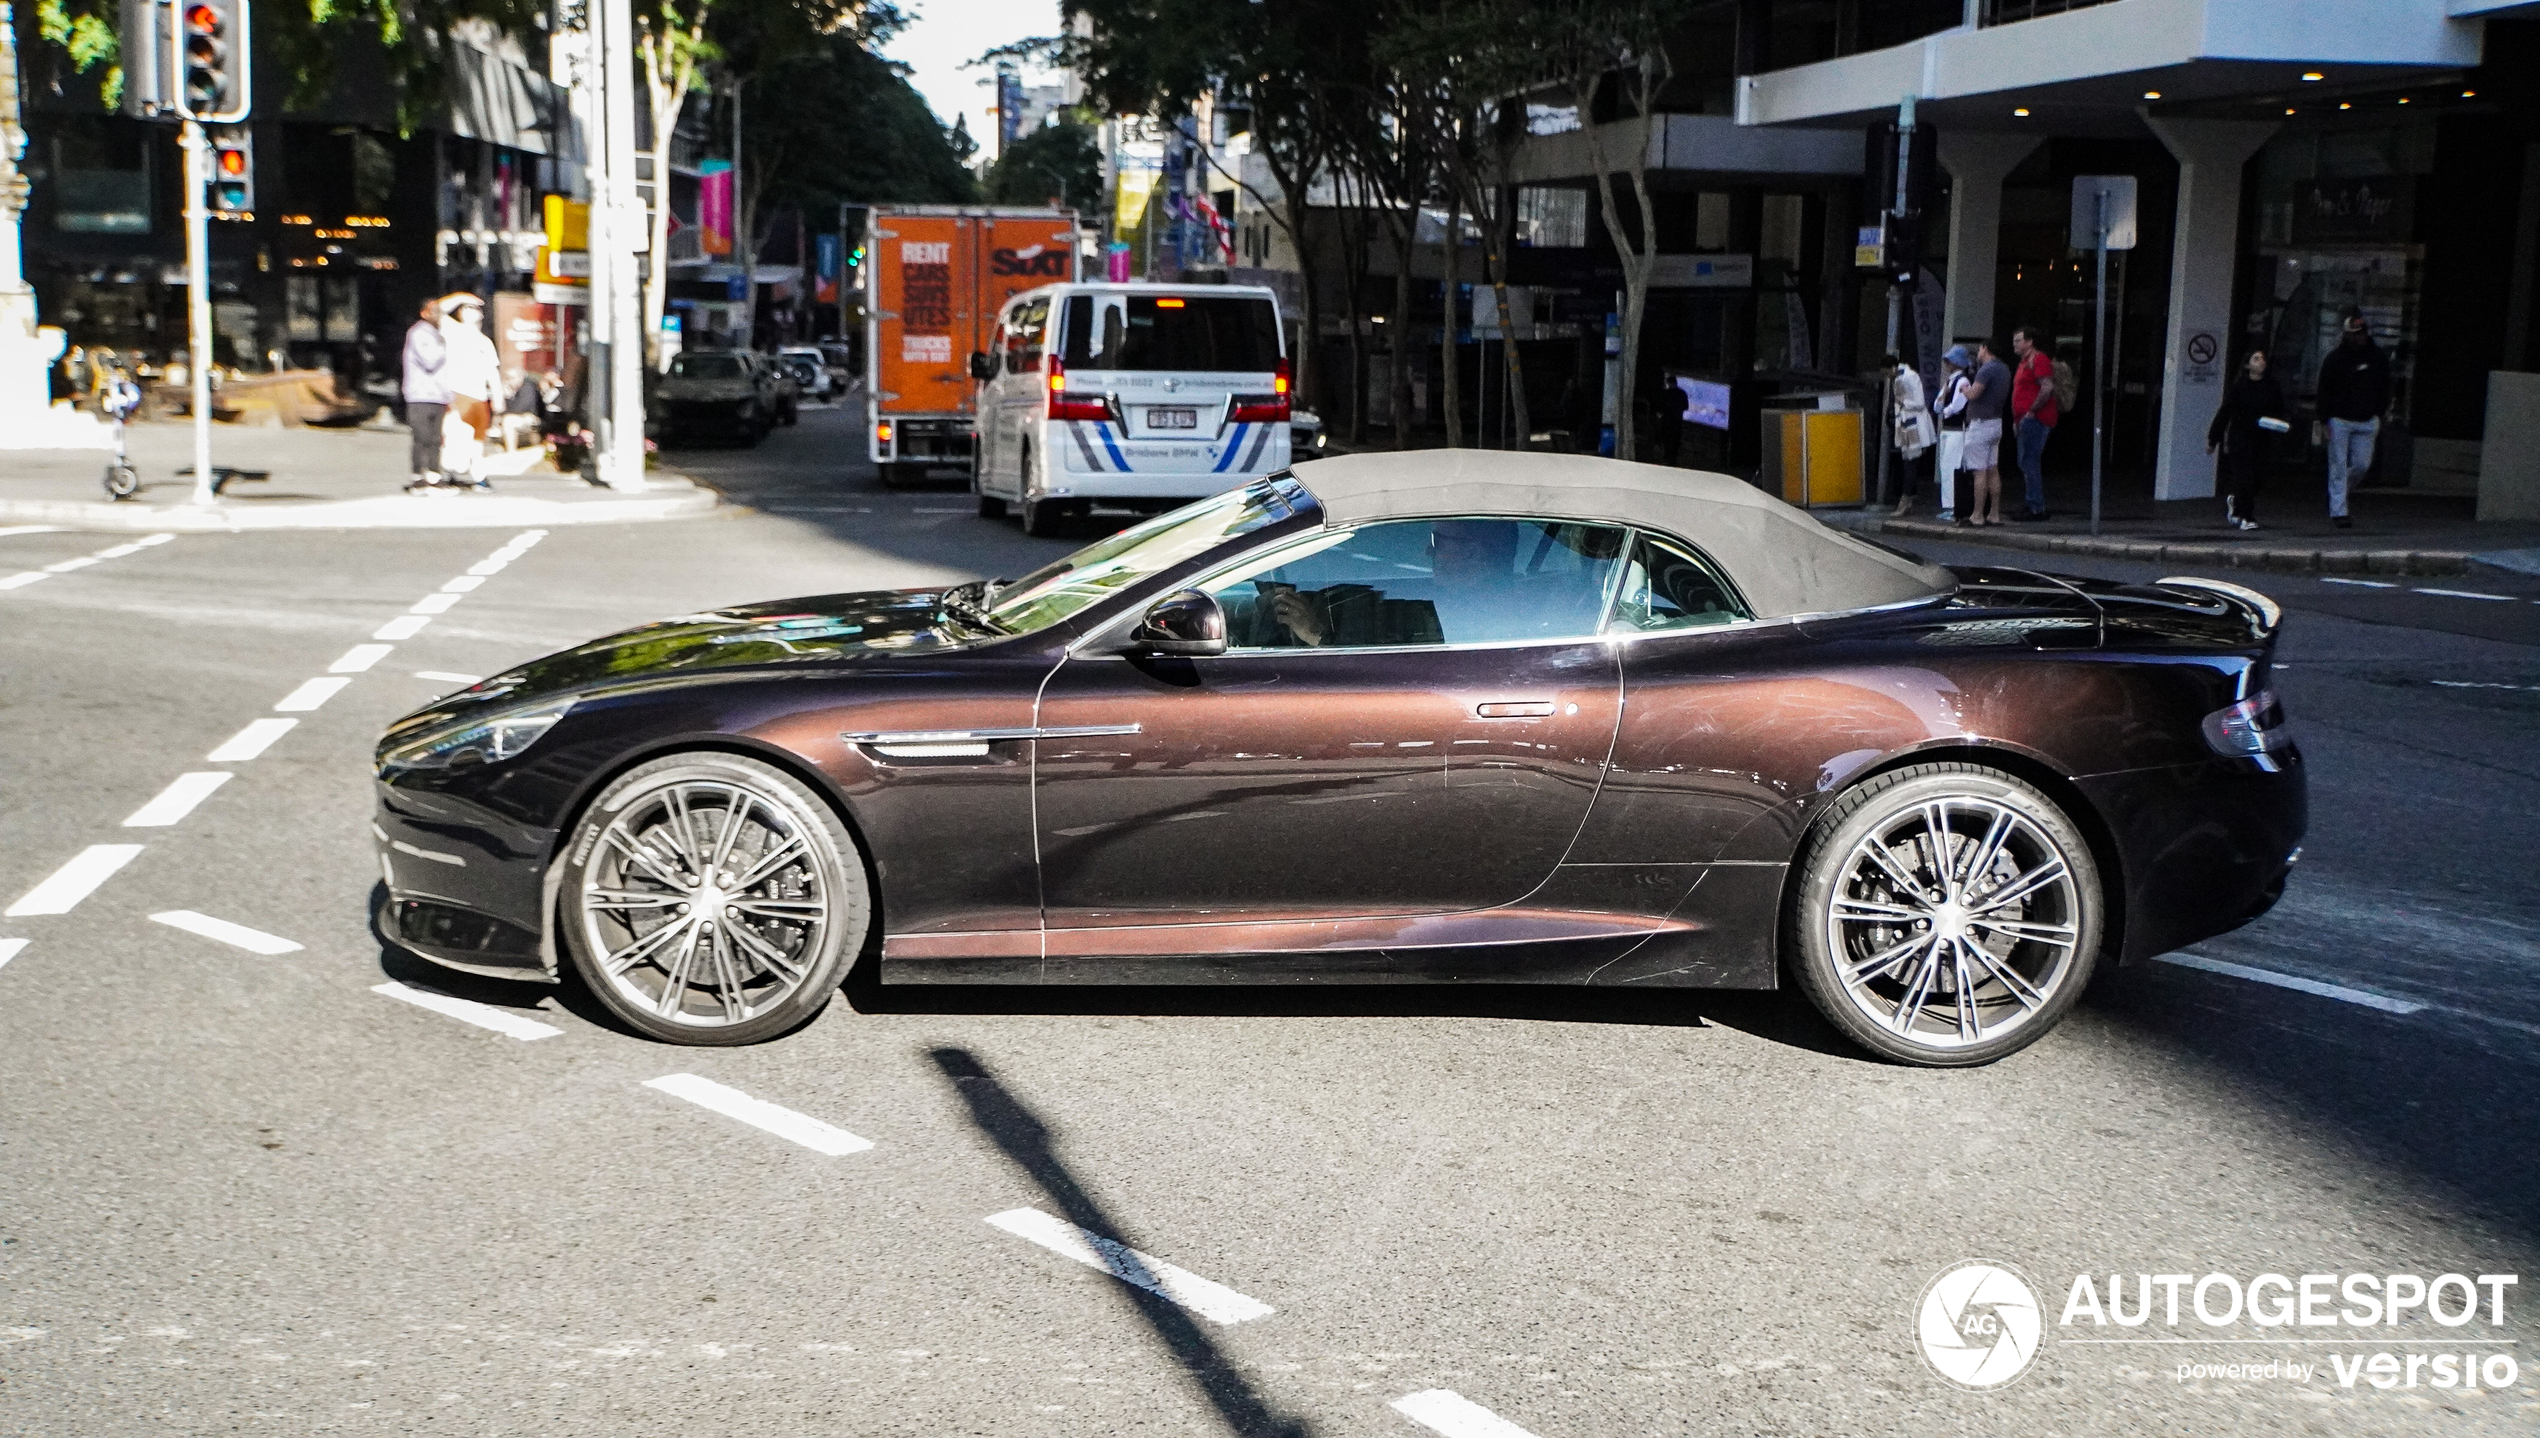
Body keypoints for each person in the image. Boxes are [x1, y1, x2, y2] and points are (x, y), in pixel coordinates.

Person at [2315, 307, 2389, 530]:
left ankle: (2337, 494)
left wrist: (2379, 411)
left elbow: (2385, 386)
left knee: (2361, 465)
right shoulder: (2335, 359)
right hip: (2340, 419)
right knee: (2337, 465)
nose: (2361, 336)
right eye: (2356, 333)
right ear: (2347, 334)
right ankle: (2339, 510)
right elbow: (2324, 390)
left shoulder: (2377, 358)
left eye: (2363, 332)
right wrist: (2324, 419)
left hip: (2367, 419)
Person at [2206, 349, 2289, 531]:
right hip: (2240, 438)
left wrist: (2281, 432)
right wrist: (2214, 439)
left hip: (2262, 438)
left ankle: (2236, 501)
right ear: (2247, 364)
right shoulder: (2240, 387)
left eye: (2262, 358)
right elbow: (2225, 412)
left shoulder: (2272, 386)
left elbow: (2279, 411)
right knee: (2245, 477)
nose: (2261, 362)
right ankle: (2246, 516)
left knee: (2258, 478)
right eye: (2256, 358)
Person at [436, 293, 501, 489]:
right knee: (453, 435)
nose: (474, 312)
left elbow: (492, 371)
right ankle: (449, 473)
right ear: (461, 313)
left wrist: (498, 396)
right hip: (457, 393)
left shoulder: (485, 342)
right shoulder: (452, 331)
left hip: (480, 396)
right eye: (469, 309)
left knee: (478, 440)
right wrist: (460, 297)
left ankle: (479, 476)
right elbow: (438, 309)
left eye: (476, 309)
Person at [2009, 324, 2059, 520]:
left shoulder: (2039, 359)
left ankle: (2036, 507)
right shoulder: (2025, 362)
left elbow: (2047, 387)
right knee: (2025, 461)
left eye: (2018, 341)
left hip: (2035, 419)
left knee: (2029, 461)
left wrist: (2031, 411)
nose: (2014, 344)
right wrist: (2017, 419)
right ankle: (2031, 503)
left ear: (2029, 342)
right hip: (2025, 419)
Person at [400, 299, 450, 491]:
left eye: (440, 312)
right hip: (420, 395)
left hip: (438, 395)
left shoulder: (437, 335)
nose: (438, 315)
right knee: (421, 437)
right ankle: (417, 477)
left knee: (436, 438)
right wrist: (444, 345)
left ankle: (434, 476)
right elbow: (429, 360)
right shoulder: (418, 333)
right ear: (424, 313)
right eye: (434, 311)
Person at [1962, 339, 2012, 526]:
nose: (1979, 352)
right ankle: (1994, 513)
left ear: (1986, 349)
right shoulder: (2005, 369)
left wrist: (1965, 389)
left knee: (1979, 471)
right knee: (1993, 469)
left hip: (1980, 424)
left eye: (1981, 348)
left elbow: (1975, 394)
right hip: (1996, 422)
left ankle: (1977, 515)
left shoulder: (1987, 369)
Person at [1933, 346, 1974, 525]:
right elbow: (1937, 404)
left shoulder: (1962, 381)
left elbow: (1958, 405)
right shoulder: (1949, 381)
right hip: (1948, 429)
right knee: (1945, 466)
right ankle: (1948, 505)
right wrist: (1942, 408)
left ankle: (1952, 506)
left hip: (1957, 430)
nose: (1947, 364)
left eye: (1949, 361)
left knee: (1952, 466)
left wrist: (1945, 410)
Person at [1889, 355, 1933, 517]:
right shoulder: (1901, 378)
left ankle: (1906, 499)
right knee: (1908, 462)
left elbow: (1920, 402)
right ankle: (1908, 498)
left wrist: (1903, 404)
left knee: (1910, 463)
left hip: (1913, 424)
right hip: (1906, 424)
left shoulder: (1908, 377)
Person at [1655, 377, 1689, 465]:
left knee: (1667, 440)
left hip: (1667, 420)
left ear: (1668, 383)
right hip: (1677, 421)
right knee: (1675, 440)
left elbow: (1660, 407)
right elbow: (1686, 407)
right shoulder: (1682, 393)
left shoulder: (1665, 394)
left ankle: (1666, 458)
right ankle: (1673, 459)